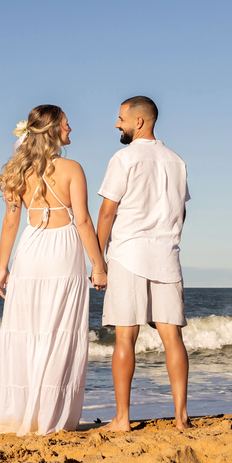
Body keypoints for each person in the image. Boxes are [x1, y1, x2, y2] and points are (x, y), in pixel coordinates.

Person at [0, 104, 110, 435]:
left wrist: (3, 267)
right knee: (58, 332)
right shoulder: (72, 168)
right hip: (63, 250)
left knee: (28, 331)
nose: (71, 130)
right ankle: (50, 418)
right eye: (66, 125)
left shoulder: (16, 170)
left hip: (30, 250)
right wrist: (99, 265)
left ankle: (20, 416)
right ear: (53, 129)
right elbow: (82, 221)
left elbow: (11, 220)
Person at [97, 96, 192, 432]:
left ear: (139, 121)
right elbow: (182, 210)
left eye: (121, 118)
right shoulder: (176, 161)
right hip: (167, 254)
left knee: (126, 338)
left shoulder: (124, 158)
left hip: (128, 255)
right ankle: (181, 417)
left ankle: (122, 419)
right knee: (173, 338)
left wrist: (97, 259)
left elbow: (107, 211)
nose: (117, 124)